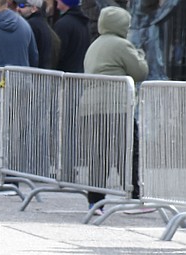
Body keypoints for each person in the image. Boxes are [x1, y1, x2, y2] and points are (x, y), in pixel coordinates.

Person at [81, 5, 147, 210]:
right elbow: (140, 72)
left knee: (98, 153)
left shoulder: (95, 44)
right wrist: (141, 55)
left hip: (91, 107)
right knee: (129, 150)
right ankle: (134, 196)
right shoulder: (122, 45)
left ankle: (95, 201)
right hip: (116, 106)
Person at [18, 0, 58, 69]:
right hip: (43, 71)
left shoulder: (31, 25)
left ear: (34, 8)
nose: (18, 8)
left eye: (22, 6)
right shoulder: (43, 24)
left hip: (35, 72)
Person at [53, 0, 90, 73]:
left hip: (64, 75)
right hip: (78, 75)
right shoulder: (84, 23)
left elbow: (57, 52)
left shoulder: (63, 24)